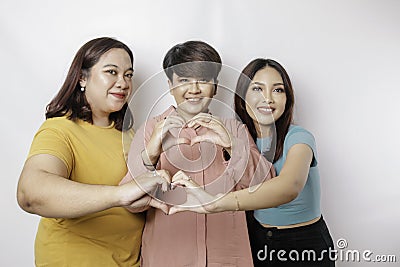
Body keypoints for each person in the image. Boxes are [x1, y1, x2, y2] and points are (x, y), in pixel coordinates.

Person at [16, 37, 171, 267]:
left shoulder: (130, 135)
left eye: (128, 74)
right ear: (82, 78)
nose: (123, 83)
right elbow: (30, 194)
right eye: (112, 72)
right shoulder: (59, 129)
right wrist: (120, 194)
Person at [120, 41, 275, 266]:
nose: (194, 89)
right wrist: (151, 153)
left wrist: (232, 147)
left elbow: (267, 188)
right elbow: (130, 203)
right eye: (184, 80)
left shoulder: (234, 130)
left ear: (216, 86)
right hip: (168, 256)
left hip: (227, 256)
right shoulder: (149, 130)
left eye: (203, 80)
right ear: (170, 85)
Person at [170, 58, 335, 266]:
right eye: (257, 89)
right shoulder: (240, 138)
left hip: (302, 244)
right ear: (242, 96)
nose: (268, 98)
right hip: (257, 241)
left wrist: (216, 203)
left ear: (287, 98)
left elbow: (290, 186)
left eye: (278, 90)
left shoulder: (299, 137)